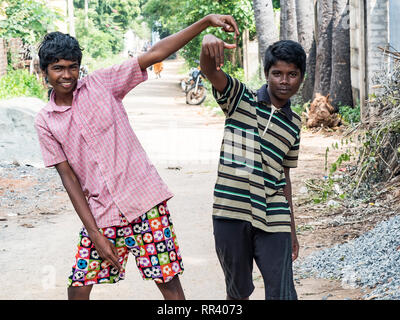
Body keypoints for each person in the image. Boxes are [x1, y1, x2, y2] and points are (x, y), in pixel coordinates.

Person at [34, 15, 239, 300]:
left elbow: (156, 53)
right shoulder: (45, 121)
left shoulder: (102, 84)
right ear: (44, 71)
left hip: (145, 204)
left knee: (169, 286)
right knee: (78, 287)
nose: (66, 75)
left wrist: (205, 23)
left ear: (80, 68)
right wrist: (94, 234)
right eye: (57, 69)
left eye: (72, 68)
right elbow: (68, 176)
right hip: (102, 213)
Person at [200, 34, 306, 300]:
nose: (284, 81)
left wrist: (292, 227)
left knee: (283, 293)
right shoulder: (240, 98)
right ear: (267, 74)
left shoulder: (295, 123)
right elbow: (209, 70)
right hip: (231, 211)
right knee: (237, 293)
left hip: (274, 213)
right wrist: (207, 42)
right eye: (277, 73)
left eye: (292, 74)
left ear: (301, 77)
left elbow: (285, 176)